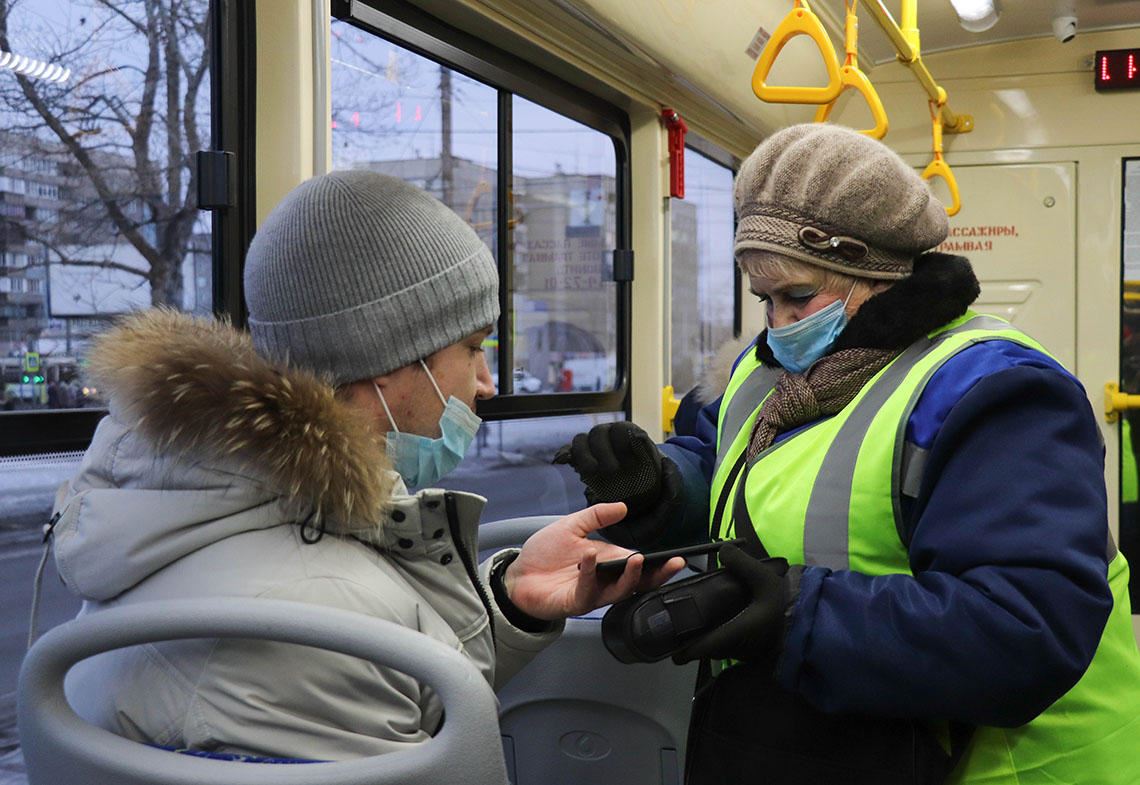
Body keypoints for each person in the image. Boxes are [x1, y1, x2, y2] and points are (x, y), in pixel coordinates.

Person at [558, 124, 1140, 784]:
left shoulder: (997, 395)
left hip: (992, 761)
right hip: (826, 735)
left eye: (798, 296)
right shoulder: (768, 370)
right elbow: (736, 476)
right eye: (763, 299)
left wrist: (795, 615)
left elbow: (1025, 628)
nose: (777, 324)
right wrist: (661, 489)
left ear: (879, 275)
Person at [49, 171, 683, 761]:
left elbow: (398, 678)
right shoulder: (323, 622)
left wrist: (513, 602)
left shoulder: (217, 518)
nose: (487, 382)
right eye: (472, 348)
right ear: (390, 361)